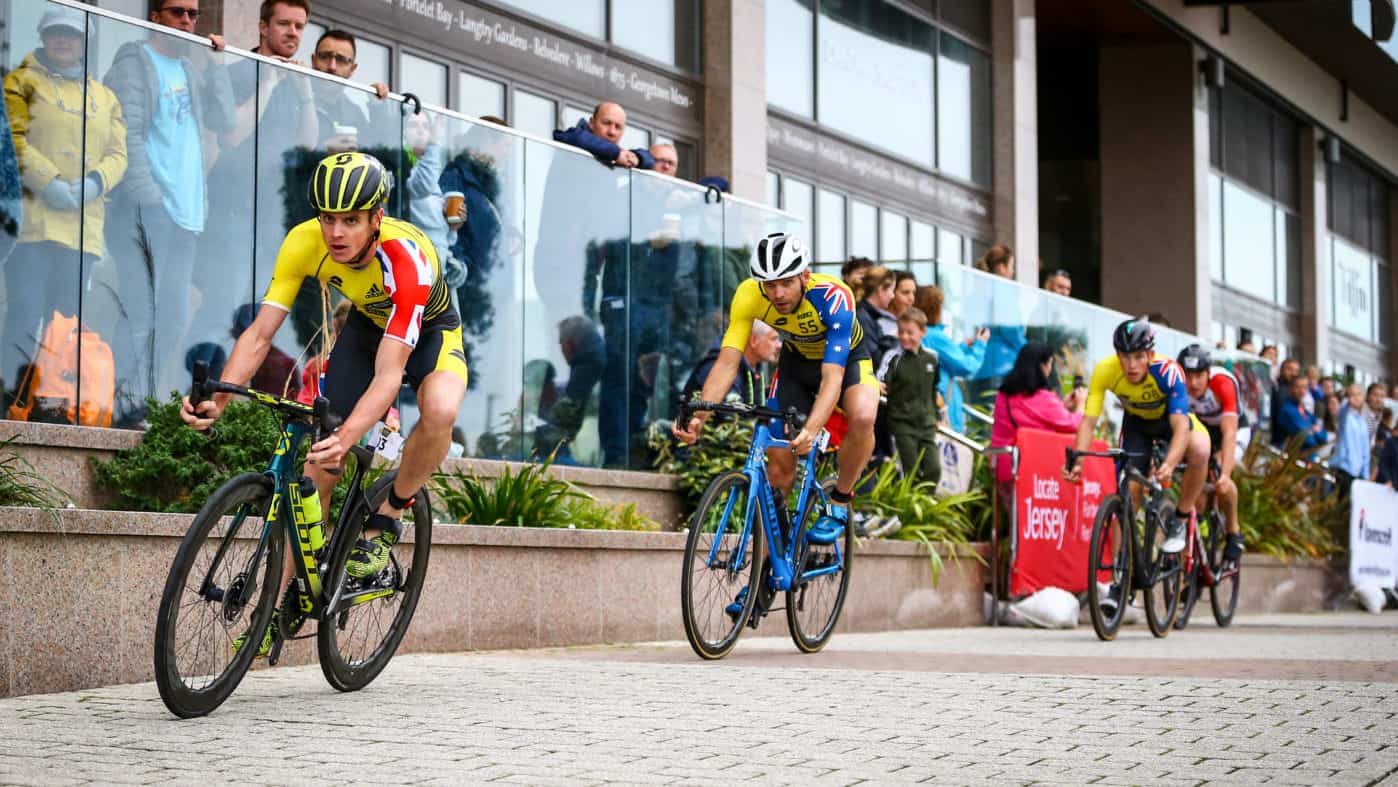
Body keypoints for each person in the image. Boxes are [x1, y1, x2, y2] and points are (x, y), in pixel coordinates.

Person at [182, 152, 467, 657]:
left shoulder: (407, 257)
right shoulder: (302, 242)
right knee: (316, 472)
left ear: (376, 218)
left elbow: (389, 375)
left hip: (426, 335)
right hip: (364, 330)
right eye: (328, 219)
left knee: (440, 409)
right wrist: (222, 398)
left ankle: (389, 513)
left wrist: (349, 434)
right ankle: (278, 604)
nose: (336, 232)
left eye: (351, 221)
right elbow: (260, 334)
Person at [674, 232, 878, 591]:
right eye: (770, 284)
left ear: (804, 275)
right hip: (797, 364)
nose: (778, 293)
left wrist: (813, 428)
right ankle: (765, 573)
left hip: (846, 362)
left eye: (786, 282)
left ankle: (840, 500)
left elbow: (833, 378)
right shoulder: (749, 295)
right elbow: (727, 361)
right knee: (779, 469)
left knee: (862, 416)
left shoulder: (833, 297)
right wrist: (699, 417)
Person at [105, 0, 234, 411]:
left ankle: (142, 401)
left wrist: (216, 64)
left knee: (173, 318)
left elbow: (224, 120)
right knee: (140, 314)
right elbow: (126, 134)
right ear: (155, 16)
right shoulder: (134, 62)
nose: (187, 21)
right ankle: (120, 404)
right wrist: (149, 196)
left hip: (185, 216)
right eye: (177, 12)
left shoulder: (190, 70)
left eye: (193, 14)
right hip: (146, 210)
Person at [3, 6, 127, 385]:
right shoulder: (18, 82)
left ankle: (48, 400)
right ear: (42, 37)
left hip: (81, 231)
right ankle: (9, 397)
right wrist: (49, 180)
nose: (63, 40)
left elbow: (119, 154)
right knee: (24, 315)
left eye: (71, 35)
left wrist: (95, 181)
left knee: (64, 326)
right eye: (56, 32)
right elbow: (10, 139)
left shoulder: (105, 97)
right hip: (33, 225)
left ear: (83, 43)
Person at [1064, 318, 1211, 565]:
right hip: (1137, 426)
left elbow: (1181, 426)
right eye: (1125, 356)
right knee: (1127, 494)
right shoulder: (1105, 371)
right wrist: (1077, 459)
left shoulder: (1168, 372)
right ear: (1117, 355)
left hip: (1170, 422)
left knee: (1200, 448)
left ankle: (1180, 519)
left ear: (1151, 354)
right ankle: (1119, 575)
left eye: (1139, 357)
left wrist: (1171, 463)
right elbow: (1088, 422)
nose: (1131, 365)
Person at [1177, 345, 1245, 564]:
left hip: (1232, 429)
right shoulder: (1176, 386)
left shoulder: (1222, 384)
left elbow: (1229, 433)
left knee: (1219, 478)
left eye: (1199, 376)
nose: (1193, 383)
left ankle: (1234, 532)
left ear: (1208, 373)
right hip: (1202, 430)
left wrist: (1225, 472)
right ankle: (1202, 528)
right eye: (1189, 376)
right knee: (1195, 477)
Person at [991, 341, 1082, 502]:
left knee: (1015, 519)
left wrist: (1061, 405)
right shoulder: (1042, 398)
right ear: (1041, 366)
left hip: (1001, 466)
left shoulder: (1003, 395)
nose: (1049, 370)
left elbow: (1031, 418)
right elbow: (1074, 425)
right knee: (1027, 521)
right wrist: (1081, 405)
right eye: (1049, 365)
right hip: (1027, 470)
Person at [877, 307, 942, 486]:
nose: (904, 337)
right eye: (901, 332)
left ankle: (923, 506)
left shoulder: (932, 358)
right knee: (910, 471)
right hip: (902, 424)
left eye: (910, 332)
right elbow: (879, 380)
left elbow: (933, 389)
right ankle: (908, 511)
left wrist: (936, 416)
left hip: (927, 424)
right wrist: (878, 385)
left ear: (923, 332)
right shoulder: (894, 357)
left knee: (933, 469)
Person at [914, 284, 988, 434]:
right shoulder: (934, 335)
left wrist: (962, 348)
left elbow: (941, 361)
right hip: (945, 410)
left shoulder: (922, 334)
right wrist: (981, 344)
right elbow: (966, 366)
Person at [681, 320, 780, 408]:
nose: (779, 345)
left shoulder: (755, 368)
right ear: (753, 340)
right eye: (773, 339)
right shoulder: (718, 366)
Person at [553, 102, 654, 170]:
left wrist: (637, 158)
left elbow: (650, 160)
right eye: (606, 123)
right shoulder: (574, 137)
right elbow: (565, 136)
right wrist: (616, 153)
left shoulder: (616, 156)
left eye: (618, 127)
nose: (612, 132)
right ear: (592, 123)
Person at [1331, 383, 1371, 501]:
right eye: (1352, 394)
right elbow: (1342, 412)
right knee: (1341, 504)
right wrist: (1346, 400)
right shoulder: (1345, 415)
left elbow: (1365, 449)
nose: (1355, 397)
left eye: (1358, 394)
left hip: (1357, 471)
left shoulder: (1362, 422)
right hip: (1344, 467)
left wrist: (1365, 474)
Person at [1274, 374, 1328, 455]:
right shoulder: (1287, 410)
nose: (1302, 391)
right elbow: (1308, 440)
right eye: (1298, 387)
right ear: (1290, 388)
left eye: (1305, 387)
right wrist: (1315, 430)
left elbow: (1324, 436)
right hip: (1291, 460)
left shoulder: (1304, 411)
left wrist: (1313, 431)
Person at [1270, 358, 1301, 447]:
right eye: (1289, 369)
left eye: (1296, 370)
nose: (1293, 373)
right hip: (1277, 440)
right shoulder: (1275, 387)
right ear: (1282, 370)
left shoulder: (1296, 391)